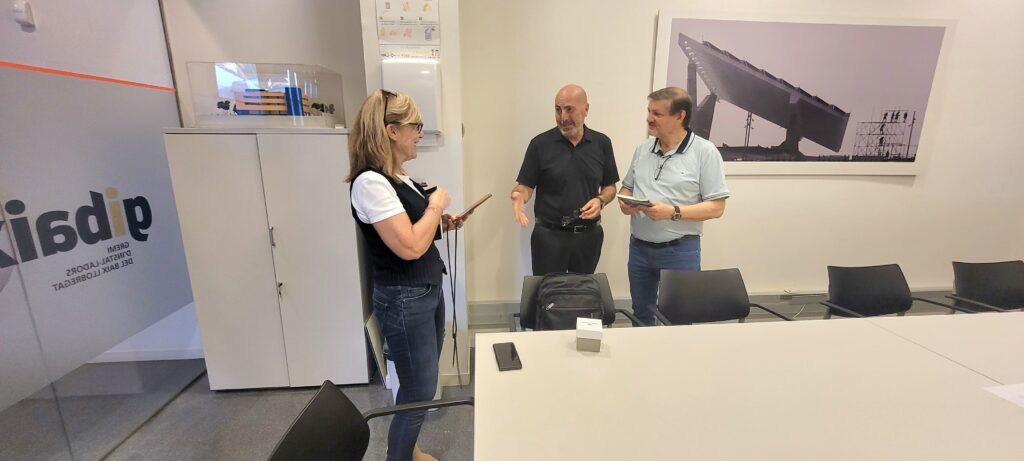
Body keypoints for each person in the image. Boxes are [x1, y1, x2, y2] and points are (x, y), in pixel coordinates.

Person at [347, 89, 465, 461]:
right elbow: (410, 246)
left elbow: (414, 231)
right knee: (418, 392)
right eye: (416, 126)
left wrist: (440, 223)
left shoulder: (396, 177)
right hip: (404, 298)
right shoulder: (370, 183)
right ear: (392, 130)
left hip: (424, 290)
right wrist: (436, 205)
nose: (420, 134)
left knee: (418, 387)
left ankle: (408, 450)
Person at [618, 87, 730, 326]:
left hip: (680, 251)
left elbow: (717, 207)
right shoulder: (643, 149)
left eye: (657, 114)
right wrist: (626, 202)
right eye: (649, 111)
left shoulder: (705, 152)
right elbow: (627, 187)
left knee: (680, 319)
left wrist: (672, 212)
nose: (649, 118)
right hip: (639, 249)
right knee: (641, 315)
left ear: (680, 116)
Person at [510, 84, 619, 275]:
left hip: (588, 237)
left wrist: (600, 201)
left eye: (569, 109)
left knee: (583, 290)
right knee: (547, 291)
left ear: (586, 109)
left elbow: (610, 187)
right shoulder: (539, 144)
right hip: (548, 237)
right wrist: (518, 195)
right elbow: (525, 187)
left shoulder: (602, 143)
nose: (563, 118)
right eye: (558, 110)